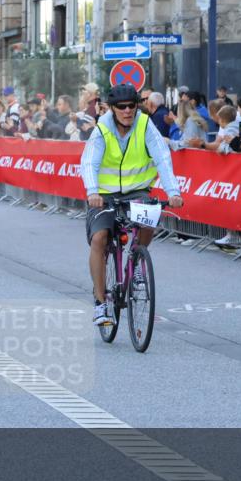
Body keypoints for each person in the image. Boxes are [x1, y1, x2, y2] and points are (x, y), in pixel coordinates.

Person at [79, 83, 184, 326]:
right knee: (100, 238)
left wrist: (173, 192)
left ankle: (137, 261)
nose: (127, 111)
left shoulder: (145, 125)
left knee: (149, 218)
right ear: (112, 108)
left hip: (137, 190)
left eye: (132, 106)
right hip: (104, 194)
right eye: (121, 107)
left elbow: (162, 158)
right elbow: (90, 163)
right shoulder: (102, 129)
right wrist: (93, 191)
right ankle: (100, 302)